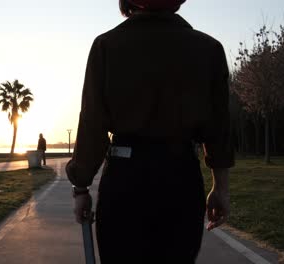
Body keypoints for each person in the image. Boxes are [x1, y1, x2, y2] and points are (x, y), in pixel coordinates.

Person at [66, 0, 235, 263]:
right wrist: (220, 188)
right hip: (181, 181)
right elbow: (218, 129)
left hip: (125, 183)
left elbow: (92, 124)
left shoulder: (107, 46)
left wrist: (81, 188)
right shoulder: (209, 49)